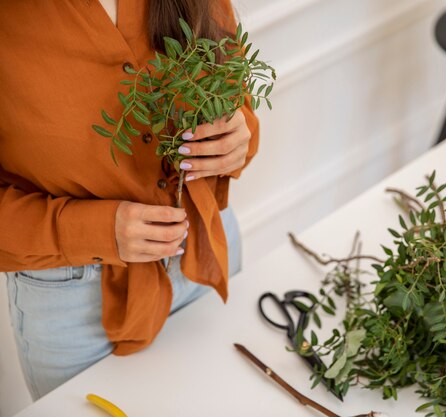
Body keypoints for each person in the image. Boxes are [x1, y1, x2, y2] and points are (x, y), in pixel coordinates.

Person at [0, 0, 259, 400]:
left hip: (205, 254)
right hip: (73, 312)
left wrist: (239, 136)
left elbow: (231, 88)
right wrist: (90, 231)